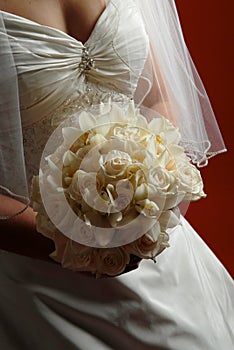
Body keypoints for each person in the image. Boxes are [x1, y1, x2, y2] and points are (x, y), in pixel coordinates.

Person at [0, 1, 233, 349]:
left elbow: (158, 98)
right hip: (34, 268)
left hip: (146, 233)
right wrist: (71, 242)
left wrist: (153, 188)